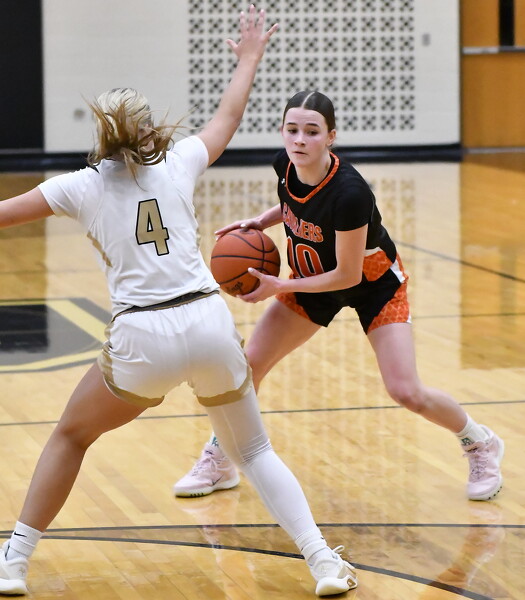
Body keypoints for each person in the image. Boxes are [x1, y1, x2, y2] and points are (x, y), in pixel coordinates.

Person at [0, 14, 358, 598]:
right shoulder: (179, 161)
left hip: (143, 337)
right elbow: (228, 118)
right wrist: (248, 58)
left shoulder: (78, 185)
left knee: (70, 436)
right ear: (148, 130)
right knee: (254, 450)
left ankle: (14, 562)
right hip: (208, 322)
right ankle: (322, 562)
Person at [173, 90, 505, 504]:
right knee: (248, 367)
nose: (300, 140)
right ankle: (221, 457)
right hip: (313, 280)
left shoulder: (351, 193)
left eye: (312, 132)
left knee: (405, 391)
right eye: (292, 130)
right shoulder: (285, 165)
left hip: (373, 285)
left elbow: (347, 274)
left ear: (331, 137)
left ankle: (479, 442)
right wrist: (261, 220)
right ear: (282, 131)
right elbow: (293, 203)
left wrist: (281, 287)